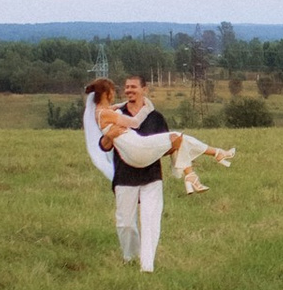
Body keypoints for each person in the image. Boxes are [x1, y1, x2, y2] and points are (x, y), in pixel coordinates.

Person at [80, 70, 228, 270]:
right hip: (125, 176)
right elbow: (104, 145)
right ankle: (130, 258)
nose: (128, 91)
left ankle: (146, 266)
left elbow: (167, 146)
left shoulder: (156, 118)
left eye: (133, 87)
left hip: (151, 175)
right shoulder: (117, 113)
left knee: (151, 221)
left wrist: (156, 151)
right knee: (125, 224)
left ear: (144, 89)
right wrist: (111, 134)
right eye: (125, 88)